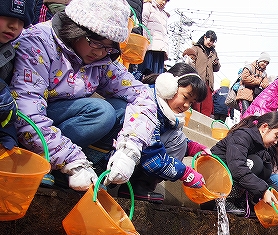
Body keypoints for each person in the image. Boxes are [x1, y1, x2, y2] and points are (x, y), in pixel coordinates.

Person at [10, 0, 158, 192]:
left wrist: (130, 150)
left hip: (62, 125)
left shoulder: (102, 60)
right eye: (95, 42)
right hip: (31, 128)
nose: (99, 52)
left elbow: (142, 95)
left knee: (121, 110)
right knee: (101, 112)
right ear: (76, 28)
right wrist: (74, 161)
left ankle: (84, 169)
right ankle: (45, 160)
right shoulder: (38, 43)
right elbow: (26, 112)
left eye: (108, 47)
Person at [116, 63, 209, 202]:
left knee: (180, 139)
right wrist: (186, 173)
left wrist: (193, 148)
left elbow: (165, 137)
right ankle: (139, 185)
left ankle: (140, 185)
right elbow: (153, 157)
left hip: (132, 158)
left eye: (191, 102)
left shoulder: (166, 112)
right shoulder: (147, 107)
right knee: (178, 139)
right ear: (169, 86)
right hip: (116, 157)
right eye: (185, 97)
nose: (186, 106)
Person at [210, 112, 278, 216]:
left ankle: (241, 201)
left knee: (263, 168)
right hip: (213, 181)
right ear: (264, 127)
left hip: (227, 180)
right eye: (276, 136)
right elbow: (237, 167)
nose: (276, 142)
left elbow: (265, 179)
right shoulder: (242, 136)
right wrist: (263, 191)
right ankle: (226, 200)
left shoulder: (263, 150)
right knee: (256, 163)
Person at [0, 0, 35, 150]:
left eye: (21, 21)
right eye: (6, 16)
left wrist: (7, 134)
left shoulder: (8, 56)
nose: (14, 26)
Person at [191, 30, 220, 117]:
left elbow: (217, 68)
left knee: (206, 107)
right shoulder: (196, 48)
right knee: (196, 104)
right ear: (205, 37)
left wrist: (216, 64)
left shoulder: (214, 52)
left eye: (213, 41)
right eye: (209, 40)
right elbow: (190, 62)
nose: (210, 43)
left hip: (209, 82)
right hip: (197, 80)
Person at [137, 0, 170, 74]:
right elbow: (143, 24)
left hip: (160, 49)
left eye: (166, 1)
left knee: (156, 76)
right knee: (145, 72)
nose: (164, 2)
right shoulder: (148, 6)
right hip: (149, 47)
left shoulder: (164, 14)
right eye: (163, 0)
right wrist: (143, 43)